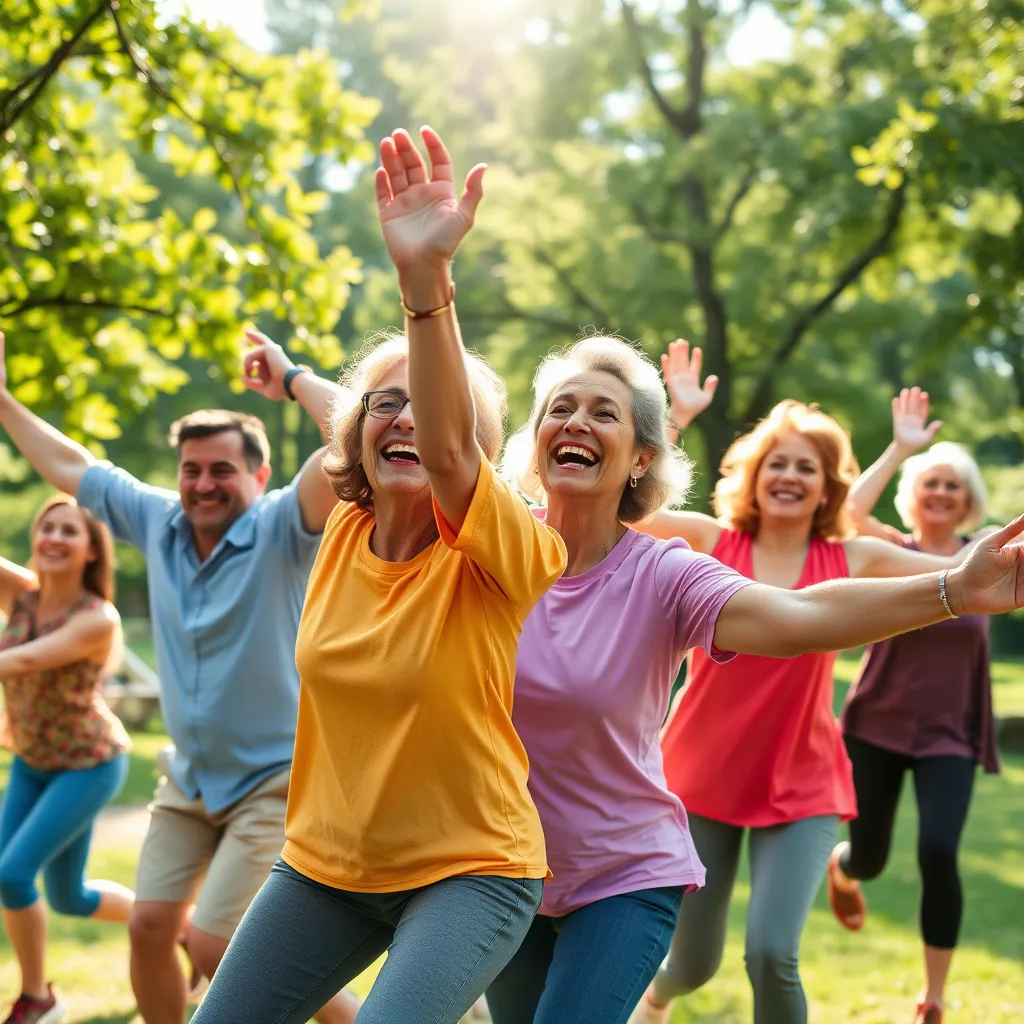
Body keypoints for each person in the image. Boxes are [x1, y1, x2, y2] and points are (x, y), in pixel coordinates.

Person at [189, 126, 567, 1024]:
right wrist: (295, 379)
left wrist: (423, 285)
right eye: (380, 408)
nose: (403, 421)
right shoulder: (343, 524)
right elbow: (355, 413)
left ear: (476, 442)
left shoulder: (508, 549)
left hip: (472, 871)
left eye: (430, 410)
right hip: (323, 869)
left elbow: (437, 445)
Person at [0, 331, 357, 1024]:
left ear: (258, 477)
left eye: (222, 469)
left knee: (216, 944)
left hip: (271, 780)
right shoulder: (158, 521)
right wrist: (3, 403)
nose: (202, 483)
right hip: (189, 779)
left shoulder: (287, 524)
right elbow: (69, 464)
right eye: (191, 468)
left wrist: (292, 377)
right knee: (149, 928)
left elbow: (358, 432)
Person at [630, 344, 992, 1024]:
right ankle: (656, 1000)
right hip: (702, 773)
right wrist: (673, 417)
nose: (790, 476)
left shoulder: (850, 556)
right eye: (778, 463)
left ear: (828, 486)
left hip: (802, 779)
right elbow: (632, 507)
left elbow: (956, 570)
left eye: (807, 467)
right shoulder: (711, 541)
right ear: (754, 476)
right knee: (691, 962)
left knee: (772, 953)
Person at [828, 388, 1000, 1024]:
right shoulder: (890, 550)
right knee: (869, 858)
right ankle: (841, 868)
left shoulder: (985, 554)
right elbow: (847, 512)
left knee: (938, 851)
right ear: (914, 492)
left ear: (969, 498)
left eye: (953, 484)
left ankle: (934, 996)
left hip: (950, 735)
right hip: (877, 726)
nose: (942, 493)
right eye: (931, 482)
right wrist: (901, 448)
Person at [0, 495, 132, 1024]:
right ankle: (183, 927)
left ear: (92, 552)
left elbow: (27, 659)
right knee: (71, 898)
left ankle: (38, 999)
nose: (54, 538)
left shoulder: (97, 618)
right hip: (33, 763)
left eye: (69, 531)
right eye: (47, 527)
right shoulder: (21, 594)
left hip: (88, 764)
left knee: (10, 874)